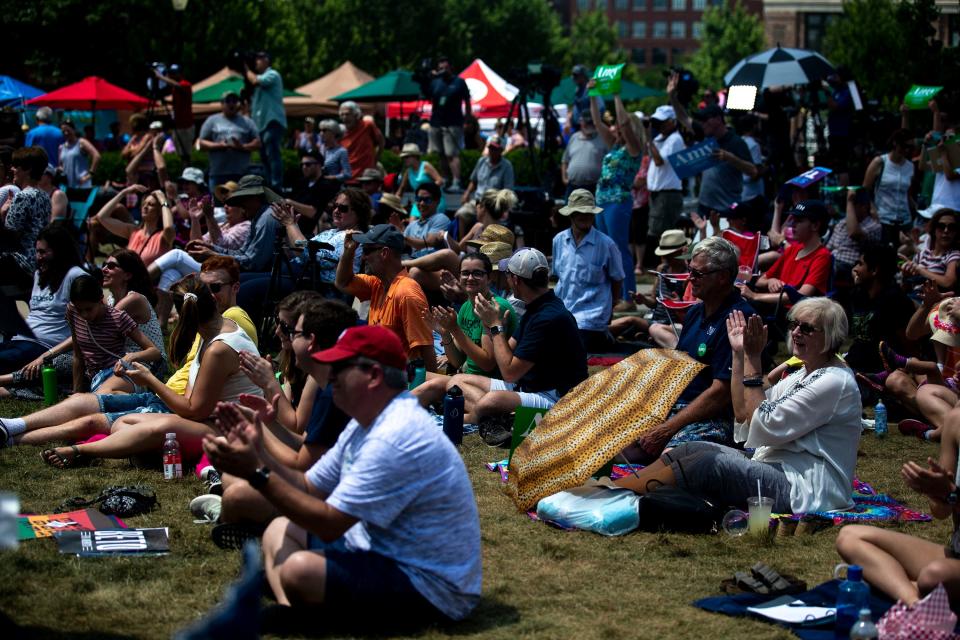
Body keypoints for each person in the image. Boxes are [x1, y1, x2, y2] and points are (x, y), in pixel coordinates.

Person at [202, 324, 481, 622]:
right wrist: (258, 449)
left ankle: (294, 602)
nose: (330, 376)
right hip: (382, 551)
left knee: (299, 570)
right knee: (277, 530)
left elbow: (329, 525)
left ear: (373, 376)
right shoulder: (365, 421)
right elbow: (308, 485)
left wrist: (257, 472)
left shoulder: (394, 436)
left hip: (432, 585)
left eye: (340, 367)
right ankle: (293, 607)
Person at [616, 298, 860, 517]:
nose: (796, 332)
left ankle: (615, 494)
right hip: (780, 468)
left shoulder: (834, 381)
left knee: (708, 464)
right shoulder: (804, 374)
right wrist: (739, 354)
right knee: (691, 448)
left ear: (830, 337)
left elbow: (764, 422)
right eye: (793, 324)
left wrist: (754, 361)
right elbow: (743, 411)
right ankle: (619, 488)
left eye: (806, 328)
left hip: (808, 488)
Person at [0, 257, 257, 446]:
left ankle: (12, 439)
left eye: (216, 286)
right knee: (82, 401)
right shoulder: (212, 330)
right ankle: (11, 425)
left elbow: (196, 406)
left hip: (182, 406)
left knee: (97, 418)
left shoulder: (227, 331)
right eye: (208, 287)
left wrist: (150, 380)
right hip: (169, 398)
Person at [196, 296, 358, 535]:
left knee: (238, 494)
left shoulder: (333, 390)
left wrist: (258, 436)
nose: (283, 334)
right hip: (323, 485)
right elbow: (307, 444)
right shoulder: (325, 380)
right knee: (232, 477)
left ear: (311, 341)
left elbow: (302, 464)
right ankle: (238, 512)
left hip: (333, 498)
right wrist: (264, 422)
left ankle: (230, 514)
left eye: (291, 330)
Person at [624, 237, 756, 462]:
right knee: (617, 445)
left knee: (670, 462)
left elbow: (721, 394)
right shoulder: (696, 312)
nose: (690, 278)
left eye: (698, 274)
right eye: (689, 270)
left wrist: (666, 430)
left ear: (723, 277)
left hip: (713, 417)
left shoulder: (737, 319)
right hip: (678, 408)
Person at [446, 248, 588, 428]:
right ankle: (499, 415)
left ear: (516, 280)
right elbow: (508, 350)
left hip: (556, 398)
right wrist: (491, 329)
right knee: (456, 382)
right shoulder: (537, 307)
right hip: (527, 387)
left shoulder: (547, 318)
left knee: (491, 401)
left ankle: (469, 418)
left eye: (507, 275)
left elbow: (510, 373)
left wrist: (496, 328)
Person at [836, 409, 960, 611]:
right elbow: (940, 512)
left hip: (945, 568)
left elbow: (951, 496)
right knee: (850, 537)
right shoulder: (955, 421)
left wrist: (951, 495)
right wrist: (935, 492)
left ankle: (914, 590)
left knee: (933, 576)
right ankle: (915, 603)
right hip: (956, 554)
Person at [413, 252, 520, 407]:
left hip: (490, 385)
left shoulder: (495, 307)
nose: (470, 278)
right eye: (465, 273)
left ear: (489, 278)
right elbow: (457, 361)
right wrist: (445, 333)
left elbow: (487, 364)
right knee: (414, 376)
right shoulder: (466, 306)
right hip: (466, 378)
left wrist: (455, 329)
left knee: (427, 386)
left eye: (477, 273)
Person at [0, 225, 87, 397]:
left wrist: (49, 355)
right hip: (22, 340)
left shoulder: (76, 276)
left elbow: (87, 324)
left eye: (43, 252)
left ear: (59, 251)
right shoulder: (40, 275)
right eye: (37, 252)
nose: (38, 257)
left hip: (45, 346)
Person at [335, 224, 436, 372]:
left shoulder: (406, 293)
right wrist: (349, 251)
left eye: (367, 250)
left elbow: (425, 351)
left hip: (398, 382)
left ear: (384, 253)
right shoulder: (377, 283)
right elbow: (342, 283)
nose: (363, 257)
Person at [59, 274, 161, 393]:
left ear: (101, 299)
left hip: (118, 372)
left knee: (101, 397)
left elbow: (154, 352)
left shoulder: (118, 318)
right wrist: (77, 392)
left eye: (89, 309)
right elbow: (78, 355)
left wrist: (131, 357)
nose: (84, 315)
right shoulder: (72, 311)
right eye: (79, 309)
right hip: (95, 377)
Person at [552, 189, 625, 352]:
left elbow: (618, 279)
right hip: (563, 313)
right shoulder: (559, 240)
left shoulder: (607, 244)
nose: (585, 216)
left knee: (572, 348)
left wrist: (611, 306)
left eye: (589, 213)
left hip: (591, 318)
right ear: (571, 215)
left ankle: (605, 336)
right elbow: (559, 278)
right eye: (580, 212)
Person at [592, 88, 645, 309]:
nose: (616, 127)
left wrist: (616, 95)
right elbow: (597, 123)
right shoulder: (615, 146)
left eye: (622, 125)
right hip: (602, 200)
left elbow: (623, 123)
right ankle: (612, 295)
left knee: (618, 248)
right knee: (604, 249)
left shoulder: (634, 148)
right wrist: (593, 95)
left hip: (618, 200)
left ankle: (629, 296)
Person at [742, 200, 833, 306]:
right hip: (775, 309)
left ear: (815, 226)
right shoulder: (792, 249)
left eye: (799, 220)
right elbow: (760, 281)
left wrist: (755, 296)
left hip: (794, 316)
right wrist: (771, 280)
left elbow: (800, 296)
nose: (793, 225)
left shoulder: (822, 256)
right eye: (793, 220)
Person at [693, 104, 758, 219]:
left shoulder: (736, 142)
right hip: (704, 207)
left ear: (718, 119)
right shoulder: (707, 139)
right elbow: (684, 119)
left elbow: (753, 171)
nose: (702, 124)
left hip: (727, 209)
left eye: (705, 120)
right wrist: (673, 97)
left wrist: (730, 158)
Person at [418, 55, 471, 192]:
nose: (443, 70)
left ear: (451, 68)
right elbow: (424, 93)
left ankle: (456, 181)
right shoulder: (435, 82)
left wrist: (468, 119)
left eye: (446, 67)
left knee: (451, 153)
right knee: (440, 153)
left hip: (453, 123)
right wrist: (427, 77)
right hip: (436, 122)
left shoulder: (459, 82)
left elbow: (467, 101)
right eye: (441, 68)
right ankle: (446, 178)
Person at [2, 146, 51, 291]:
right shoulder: (44, 196)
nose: (12, 169)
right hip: (37, 260)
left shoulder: (22, 196)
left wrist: (2, 213)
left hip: (21, 262)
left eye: (16, 166)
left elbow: (10, 236)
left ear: (28, 169)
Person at [93, 184, 175, 267]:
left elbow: (168, 227)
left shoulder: (164, 236)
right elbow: (101, 217)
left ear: (160, 212)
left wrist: (163, 200)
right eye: (144, 204)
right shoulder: (133, 231)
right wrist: (123, 193)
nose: (145, 207)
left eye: (151, 204)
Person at [198, 91, 261, 194]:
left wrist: (242, 146)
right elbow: (201, 143)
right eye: (228, 101)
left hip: (241, 174)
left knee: (240, 207)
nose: (231, 104)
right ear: (222, 104)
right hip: (218, 173)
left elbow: (258, 143)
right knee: (218, 208)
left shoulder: (247, 121)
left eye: (234, 101)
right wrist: (219, 145)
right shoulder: (212, 120)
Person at [862, 128, 916, 247]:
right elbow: (865, 189)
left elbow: (908, 194)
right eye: (904, 146)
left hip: (904, 220)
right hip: (883, 218)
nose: (906, 150)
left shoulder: (910, 166)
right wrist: (872, 209)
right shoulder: (880, 162)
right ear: (895, 143)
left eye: (910, 147)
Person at [244, 51, 287, 190]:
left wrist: (246, 69)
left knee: (272, 155)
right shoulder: (259, 81)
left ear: (267, 60)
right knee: (264, 157)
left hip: (272, 122)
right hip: (261, 125)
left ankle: (276, 187)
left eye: (259, 58)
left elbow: (256, 80)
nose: (256, 61)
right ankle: (269, 187)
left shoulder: (272, 74)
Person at [646, 105, 686, 252]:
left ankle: (667, 267)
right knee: (660, 234)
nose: (659, 125)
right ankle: (665, 267)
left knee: (663, 235)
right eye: (657, 122)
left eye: (662, 122)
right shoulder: (660, 138)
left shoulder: (675, 139)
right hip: (658, 194)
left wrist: (649, 140)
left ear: (672, 121)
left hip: (667, 194)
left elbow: (659, 161)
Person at [825, 188, 882, 283]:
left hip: (851, 266)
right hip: (832, 261)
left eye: (852, 205)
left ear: (864, 207)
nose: (848, 209)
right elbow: (828, 248)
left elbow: (853, 233)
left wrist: (850, 200)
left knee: (828, 268)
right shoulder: (842, 222)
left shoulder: (874, 226)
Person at [902, 207, 960, 295]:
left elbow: (948, 282)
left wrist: (920, 270)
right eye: (941, 226)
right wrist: (906, 275)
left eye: (952, 227)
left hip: (933, 304)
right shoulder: (922, 255)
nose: (946, 231)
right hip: (913, 298)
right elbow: (906, 288)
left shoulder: (953, 255)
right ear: (934, 230)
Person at [152, 64, 195, 165]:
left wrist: (160, 77)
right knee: (180, 153)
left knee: (186, 153)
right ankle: (184, 169)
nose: (172, 76)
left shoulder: (185, 84)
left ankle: (187, 169)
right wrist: (166, 102)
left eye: (174, 74)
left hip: (186, 125)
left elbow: (177, 85)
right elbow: (177, 103)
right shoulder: (175, 88)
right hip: (178, 124)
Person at [561, 113, 607, 196]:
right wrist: (564, 178)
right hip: (572, 187)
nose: (589, 125)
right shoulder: (574, 137)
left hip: (593, 188)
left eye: (591, 122)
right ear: (581, 122)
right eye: (586, 122)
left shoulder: (602, 138)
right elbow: (565, 160)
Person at [395, 143, 444, 218]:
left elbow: (440, 181)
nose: (404, 159)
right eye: (403, 157)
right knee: (412, 221)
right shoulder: (408, 171)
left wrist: (427, 191)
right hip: (420, 201)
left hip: (434, 201)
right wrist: (393, 201)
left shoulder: (426, 166)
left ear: (415, 156)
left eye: (407, 157)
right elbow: (401, 188)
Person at [461, 138, 514, 204]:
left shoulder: (507, 166)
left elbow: (507, 190)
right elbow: (474, 181)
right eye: (490, 148)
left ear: (501, 150)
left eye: (494, 149)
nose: (491, 150)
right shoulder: (481, 161)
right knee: (461, 213)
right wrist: (467, 193)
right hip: (478, 201)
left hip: (494, 204)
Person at [339, 101, 384, 178]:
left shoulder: (367, 126)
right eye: (342, 115)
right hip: (347, 177)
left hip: (365, 178)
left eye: (347, 114)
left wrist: (375, 160)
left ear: (356, 115)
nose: (344, 117)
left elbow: (381, 142)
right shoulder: (340, 132)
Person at [58, 120, 100, 189]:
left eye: (68, 130)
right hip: (67, 186)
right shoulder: (61, 147)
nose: (66, 133)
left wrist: (90, 174)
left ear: (73, 129)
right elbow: (61, 165)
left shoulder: (81, 143)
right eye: (63, 131)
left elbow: (97, 156)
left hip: (82, 185)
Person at [566, 64, 603, 136]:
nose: (573, 77)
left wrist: (590, 123)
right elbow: (575, 107)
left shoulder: (591, 89)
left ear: (583, 76)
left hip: (589, 130)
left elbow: (600, 108)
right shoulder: (577, 90)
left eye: (576, 75)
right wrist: (568, 120)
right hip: (578, 129)